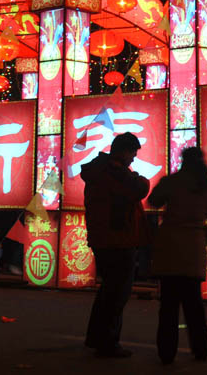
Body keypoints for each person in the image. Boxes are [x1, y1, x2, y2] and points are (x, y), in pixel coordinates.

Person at [148, 146, 207, 364]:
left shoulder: (172, 181)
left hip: (170, 245)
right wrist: (204, 237)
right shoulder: (206, 187)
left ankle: (166, 352)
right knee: (194, 304)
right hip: (194, 246)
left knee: (168, 304)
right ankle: (201, 349)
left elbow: (153, 201)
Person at [82, 132, 150, 358]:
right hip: (118, 239)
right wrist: (139, 178)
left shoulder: (99, 170)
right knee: (116, 293)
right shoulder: (114, 172)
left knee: (108, 291)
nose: (133, 159)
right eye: (133, 154)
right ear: (124, 151)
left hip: (103, 238)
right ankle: (108, 343)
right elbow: (139, 188)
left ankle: (97, 338)